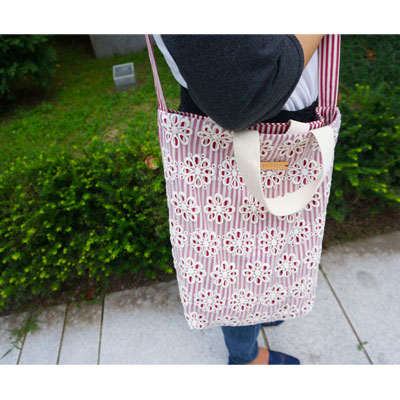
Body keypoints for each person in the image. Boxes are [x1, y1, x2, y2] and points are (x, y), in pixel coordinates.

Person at [153, 34, 324, 365]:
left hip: (282, 114)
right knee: (236, 264)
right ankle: (245, 356)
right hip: (250, 117)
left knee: (275, 244)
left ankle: (266, 305)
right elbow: (241, 95)